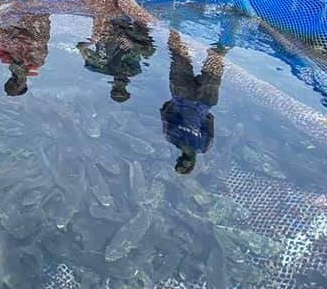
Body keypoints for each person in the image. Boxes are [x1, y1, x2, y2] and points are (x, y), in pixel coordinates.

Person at [161, 30, 228, 174]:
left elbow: (166, 111)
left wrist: (180, 101)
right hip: (205, 100)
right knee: (216, 61)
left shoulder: (171, 137)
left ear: (177, 159)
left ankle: (175, 26)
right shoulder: (204, 146)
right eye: (187, 166)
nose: (185, 163)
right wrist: (201, 110)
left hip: (182, 94)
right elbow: (210, 121)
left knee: (178, 57)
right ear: (193, 165)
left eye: (181, 164)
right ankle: (226, 37)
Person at [77, 15, 156, 102]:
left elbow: (81, 47)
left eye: (116, 90)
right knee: (149, 51)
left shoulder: (100, 67)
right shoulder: (134, 70)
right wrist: (132, 44)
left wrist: (93, 41)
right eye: (122, 90)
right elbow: (145, 49)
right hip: (131, 33)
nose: (120, 86)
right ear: (126, 89)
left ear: (112, 87)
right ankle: (138, 17)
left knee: (104, 22)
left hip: (107, 32)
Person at [0, 10, 51, 96]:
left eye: (13, 80)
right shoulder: (36, 59)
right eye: (18, 82)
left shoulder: (9, 55)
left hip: (15, 18)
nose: (15, 78)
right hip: (33, 14)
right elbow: (36, 41)